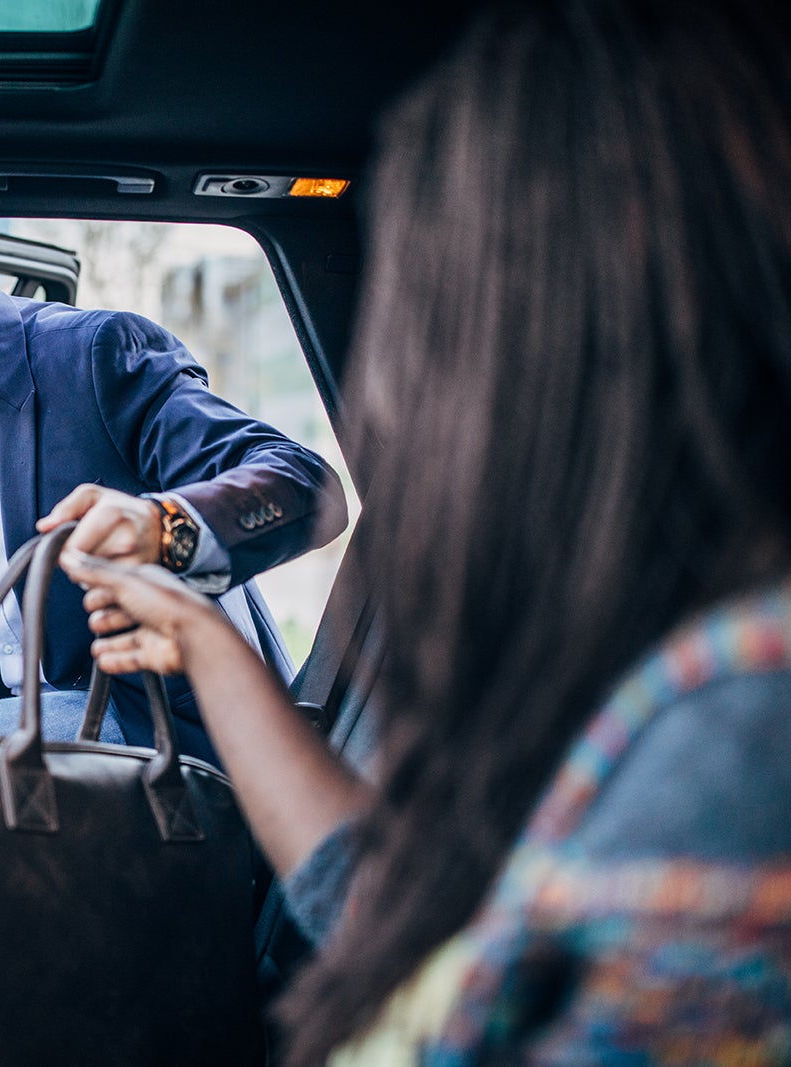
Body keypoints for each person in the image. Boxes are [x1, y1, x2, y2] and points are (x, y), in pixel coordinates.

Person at [61, 0, 791, 1061]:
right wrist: (201, 636)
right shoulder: (658, 662)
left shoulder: (740, 734)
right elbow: (424, 930)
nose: (380, 401)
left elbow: (298, 481)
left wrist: (171, 529)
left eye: (419, 311)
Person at [0, 216, 347, 759]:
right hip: (17, 717)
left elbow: (308, 487)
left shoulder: (97, 354)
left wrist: (162, 529)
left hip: (157, 720)